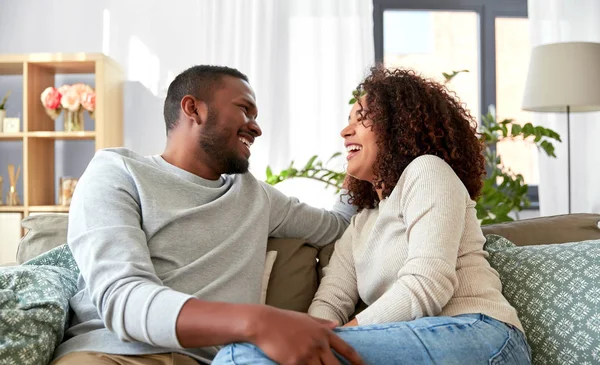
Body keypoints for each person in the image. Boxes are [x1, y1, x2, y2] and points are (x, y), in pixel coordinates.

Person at [211, 66, 532, 364]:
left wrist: (331, 341)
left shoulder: (428, 172)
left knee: (241, 357)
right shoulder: (361, 223)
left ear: (401, 126)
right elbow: (329, 304)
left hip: (481, 336)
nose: (345, 131)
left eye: (362, 119)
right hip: (420, 341)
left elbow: (428, 284)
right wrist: (307, 337)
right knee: (248, 355)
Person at [51, 65, 365, 365]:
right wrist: (258, 322)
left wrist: (360, 161)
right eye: (245, 109)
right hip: (109, 354)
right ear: (194, 109)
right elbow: (124, 300)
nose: (256, 127)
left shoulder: (256, 196)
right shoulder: (117, 172)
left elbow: (338, 226)